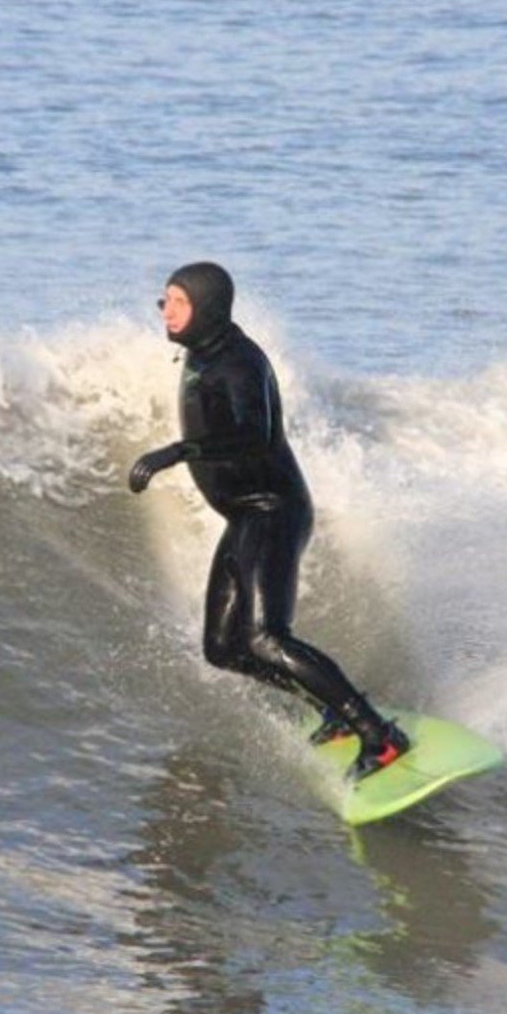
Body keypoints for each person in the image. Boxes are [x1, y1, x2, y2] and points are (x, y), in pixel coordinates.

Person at [127, 261, 410, 780]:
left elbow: (253, 436)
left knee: (265, 639)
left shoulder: (236, 363)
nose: (164, 310)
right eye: (164, 299)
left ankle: (378, 734)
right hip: (243, 517)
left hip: (273, 510)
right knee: (222, 649)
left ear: (207, 308)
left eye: (177, 301)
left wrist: (177, 452)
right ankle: (334, 709)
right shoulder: (204, 351)